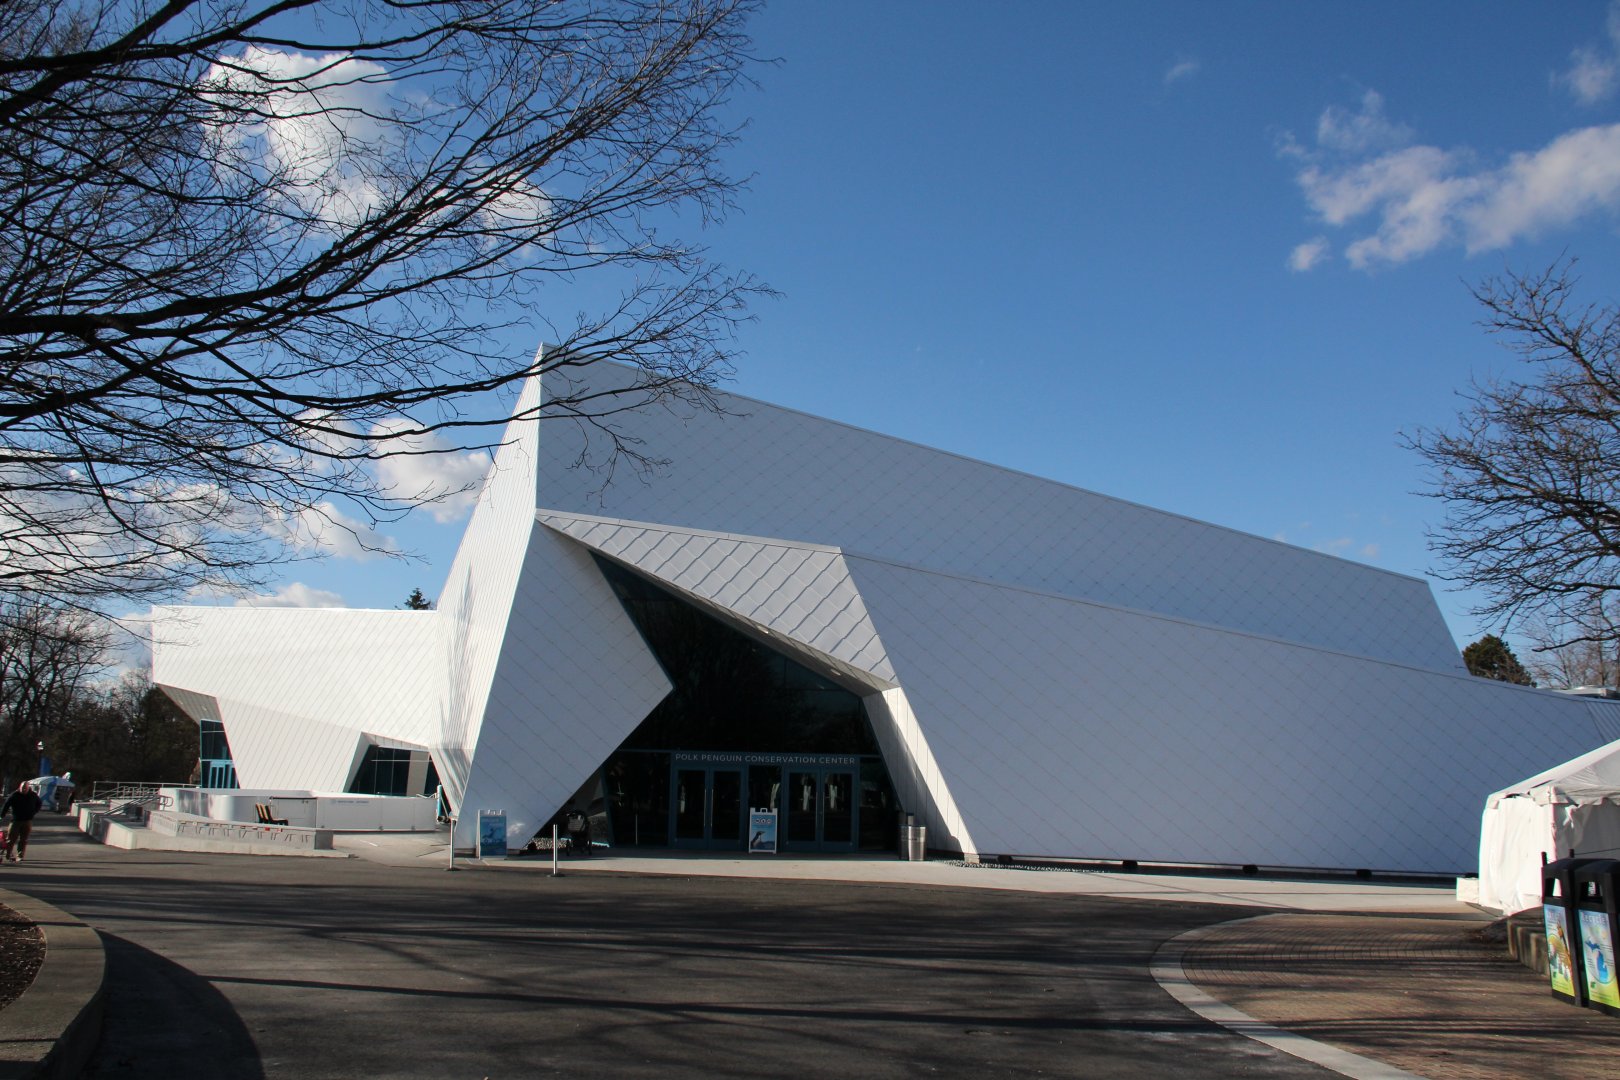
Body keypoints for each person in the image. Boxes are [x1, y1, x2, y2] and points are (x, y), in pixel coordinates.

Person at [1, 781, 44, 863]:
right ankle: (8, 854)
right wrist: (2, 815)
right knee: (11, 839)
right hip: (16, 820)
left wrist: (34, 811)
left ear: (28, 788)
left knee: (23, 840)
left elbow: (39, 803)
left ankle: (20, 856)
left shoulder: (33, 795)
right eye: (22, 788)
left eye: (25, 788)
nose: (23, 789)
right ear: (19, 787)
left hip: (27, 820)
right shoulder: (14, 795)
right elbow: (6, 805)